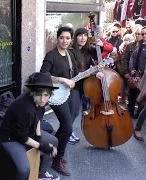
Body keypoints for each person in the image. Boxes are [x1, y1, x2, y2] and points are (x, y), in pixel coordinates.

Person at [40, 26, 103, 176]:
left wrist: (93, 72)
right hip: (56, 94)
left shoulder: (70, 55)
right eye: (62, 38)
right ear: (57, 38)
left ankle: (52, 148)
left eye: (68, 38)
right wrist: (61, 79)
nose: (65, 41)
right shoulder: (51, 55)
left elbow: (75, 74)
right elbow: (43, 75)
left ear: (70, 40)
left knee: (67, 124)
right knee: (68, 128)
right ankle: (58, 159)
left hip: (71, 92)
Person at [0, 72, 60, 180]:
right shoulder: (25, 109)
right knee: (24, 169)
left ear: (50, 94)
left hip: (27, 131)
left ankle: (41, 174)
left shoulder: (40, 103)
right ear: (33, 93)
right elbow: (21, 137)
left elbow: (38, 118)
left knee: (53, 141)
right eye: (39, 94)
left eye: (46, 95)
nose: (42, 99)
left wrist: (38, 135)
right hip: (11, 137)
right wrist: (41, 146)